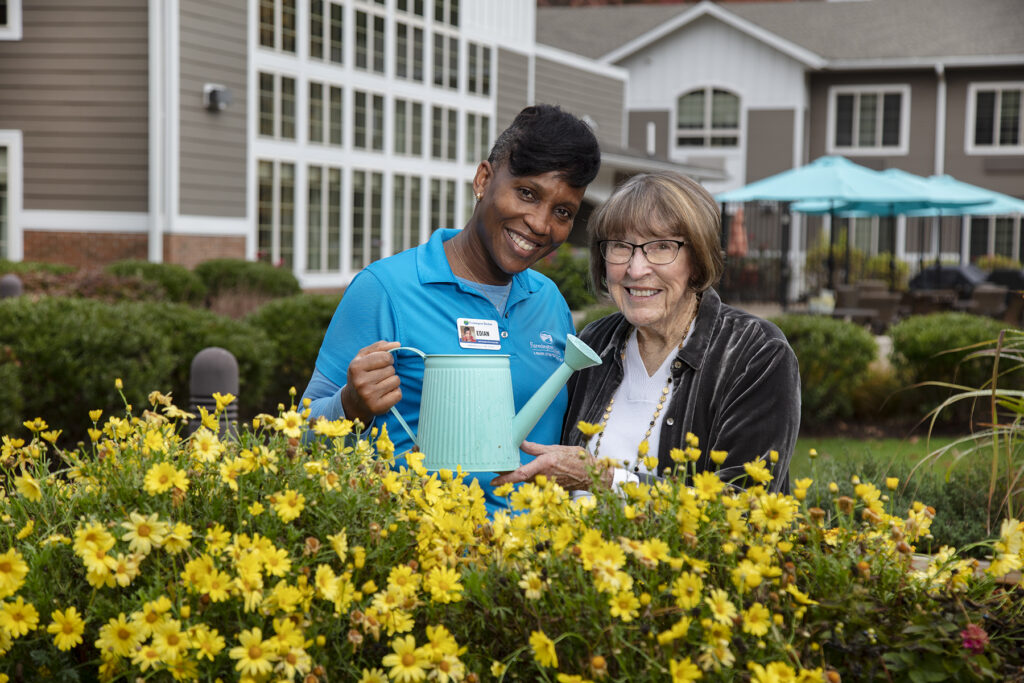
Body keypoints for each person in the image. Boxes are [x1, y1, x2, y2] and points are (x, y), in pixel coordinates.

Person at [302, 104, 601, 514]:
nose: (540, 223)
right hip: (423, 558)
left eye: (562, 212)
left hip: (537, 563)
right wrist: (350, 406)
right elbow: (294, 441)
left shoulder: (550, 302)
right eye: (527, 193)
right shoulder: (385, 288)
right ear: (484, 179)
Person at [493, 171, 799, 494]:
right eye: (621, 247)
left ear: (696, 260)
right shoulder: (594, 344)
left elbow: (745, 507)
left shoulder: (755, 353)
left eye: (662, 247)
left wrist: (604, 481)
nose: (636, 270)